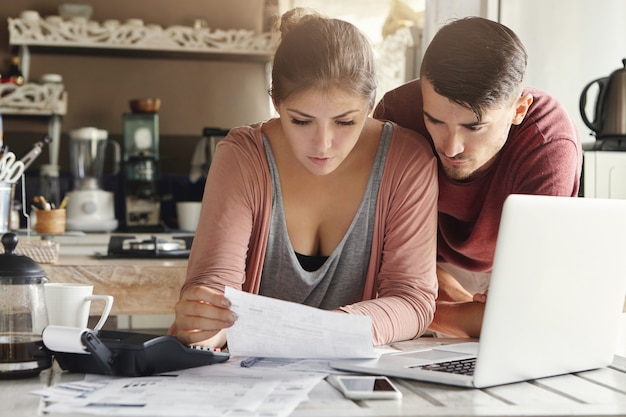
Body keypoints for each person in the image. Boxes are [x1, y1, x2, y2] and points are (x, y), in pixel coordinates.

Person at [170, 8, 439, 349]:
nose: (323, 144)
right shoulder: (243, 155)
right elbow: (215, 287)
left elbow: (412, 300)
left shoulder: (407, 161)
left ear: (370, 104)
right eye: (300, 121)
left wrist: (319, 331)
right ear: (276, 103)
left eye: (345, 122)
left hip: (356, 380)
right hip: (247, 381)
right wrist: (203, 320)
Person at [374, 17, 582, 338]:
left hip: (507, 268)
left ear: (519, 109)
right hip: (415, 264)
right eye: (435, 120)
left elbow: (527, 296)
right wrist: (437, 310)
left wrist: (419, 314)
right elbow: (382, 253)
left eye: (474, 127)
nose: (450, 147)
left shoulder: (548, 141)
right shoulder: (397, 115)